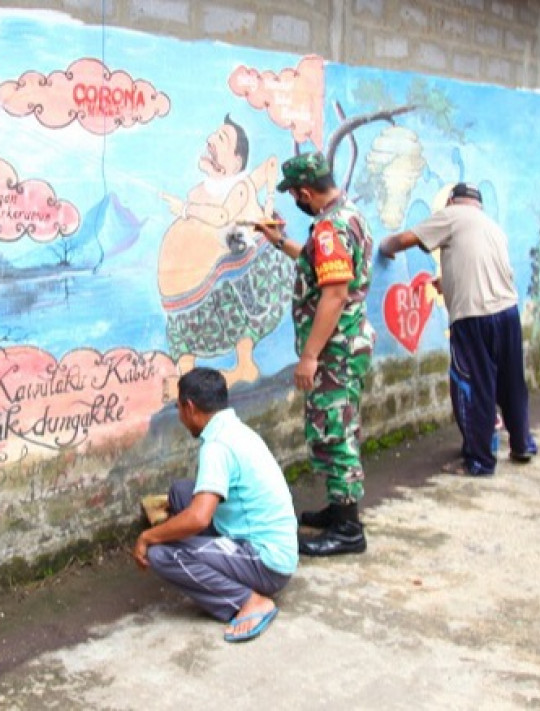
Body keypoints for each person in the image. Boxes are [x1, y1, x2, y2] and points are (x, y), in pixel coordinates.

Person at [254, 152, 375, 557]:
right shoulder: (349, 215)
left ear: (306, 192)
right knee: (339, 425)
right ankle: (339, 511)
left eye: (294, 195)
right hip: (348, 345)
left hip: (334, 351)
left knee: (333, 432)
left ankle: (348, 530)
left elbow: (335, 292)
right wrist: (281, 243)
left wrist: (309, 356)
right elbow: (323, 268)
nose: (295, 201)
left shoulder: (329, 229)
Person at [378, 182, 538, 476]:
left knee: (472, 386)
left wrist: (383, 248)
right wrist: (446, 284)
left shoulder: (451, 215)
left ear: (452, 200)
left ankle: (479, 461)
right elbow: (482, 269)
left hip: (474, 317)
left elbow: (405, 239)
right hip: (507, 313)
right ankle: (522, 443)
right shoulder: (492, 227)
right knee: (511, 382)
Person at [131, 367, 297, 643]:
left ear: (190, 407)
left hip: (267, 562)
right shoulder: (234, 429)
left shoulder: (218, 446)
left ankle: (249, 601)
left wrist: (147, 536)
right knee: (181, 492)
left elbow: (198, 518)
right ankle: (215, 559)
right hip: (266, 541)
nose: (181, 417)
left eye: (179, 408)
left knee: (162, 554)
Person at [157, 115, 288, 389]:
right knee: (184, 325)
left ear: (236, 162)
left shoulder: (238, 188)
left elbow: (221, 215)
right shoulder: (202, 191)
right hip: (196, 285)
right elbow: (261, 173)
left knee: (237, 304)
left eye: (221, 138)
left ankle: (244, 365)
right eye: (213, 135)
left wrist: (184, 209)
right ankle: (185, 374)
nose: (210, 141)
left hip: (238, 269)